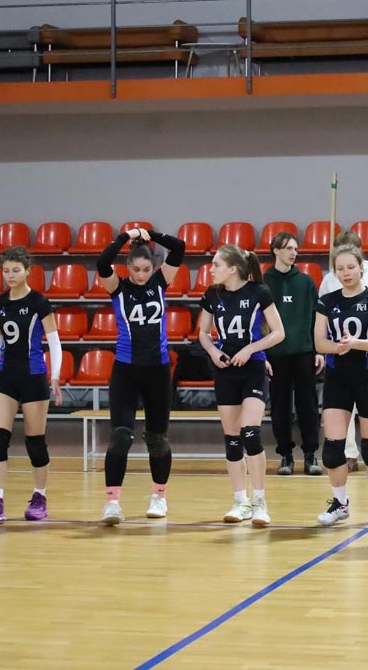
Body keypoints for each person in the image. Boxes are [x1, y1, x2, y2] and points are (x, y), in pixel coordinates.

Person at [94, 226, 186, 525]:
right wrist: (127, 236)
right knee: (120, 437)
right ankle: (112, 503)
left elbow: (179, 247)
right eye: (136, 269)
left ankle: (159, 496)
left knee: (157, 438)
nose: (142, 275)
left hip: (158, 371)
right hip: (126, 370)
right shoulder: (117, 288)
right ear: (128, 267)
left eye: (146, 269)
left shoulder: (160, 282)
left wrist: (150, 234)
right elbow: (102, 262)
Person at [0, 246, 64, 523]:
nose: (10, 275)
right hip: (5, 376)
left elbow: (54, 342)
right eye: (6, 271)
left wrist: (55, 375)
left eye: (16, 270)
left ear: (27, 271)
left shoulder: (39, 302)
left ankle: (39, 497)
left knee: (35, 442)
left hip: (33, 376)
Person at [197, 245, 286, 528]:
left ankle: (260, 502)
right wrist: (213, 352)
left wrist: (251, 349)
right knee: (232, 438)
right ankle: (240, 501)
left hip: (253, 368)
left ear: (233, 269)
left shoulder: (259, 292)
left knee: (250, 433)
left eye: (216, 264)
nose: (211, 269)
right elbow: (203, 333)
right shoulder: (212, 295)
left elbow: (279, 333)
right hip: (226, 371)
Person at [313, 244, 368, 526]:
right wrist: (337, 348)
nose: (345, 273)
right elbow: (319, 342)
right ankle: (340, 503)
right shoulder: (326, 301)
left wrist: (355, 343)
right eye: (340, 268)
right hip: (338, 378)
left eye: (350, 267)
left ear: (361, 268)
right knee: (333, 448)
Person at [263, 230, 324, 476]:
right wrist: (262, 354)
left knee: (308, 404)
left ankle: (310, 454)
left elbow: (316, 319)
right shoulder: (264, 283)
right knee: (279, 406)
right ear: (276, 250)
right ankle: (285, 455)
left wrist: (319, 350)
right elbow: (258, 322)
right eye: (288, 248)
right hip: (275, 353)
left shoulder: (306, 282)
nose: (293, 253)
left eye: (296, 249)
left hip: (304, 351)